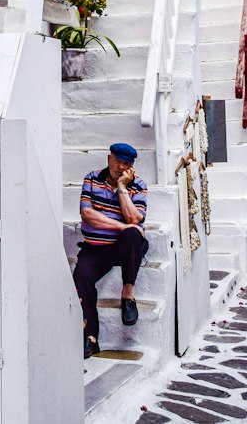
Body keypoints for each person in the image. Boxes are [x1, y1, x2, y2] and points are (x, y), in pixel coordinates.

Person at [73, 141, 149, 358]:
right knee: (81, 276)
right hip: (95, 248)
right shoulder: (91, 179)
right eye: (117, 162)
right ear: (109, 159)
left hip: (124, 247)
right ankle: (90, 338)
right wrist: (121, 225)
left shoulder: (139, 186)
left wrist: (122, 188)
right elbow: (87, 215)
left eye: (126, 164)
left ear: (131, 166)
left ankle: (128, 294)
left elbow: (135, 218)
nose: (120, 167)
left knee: (132, 234)